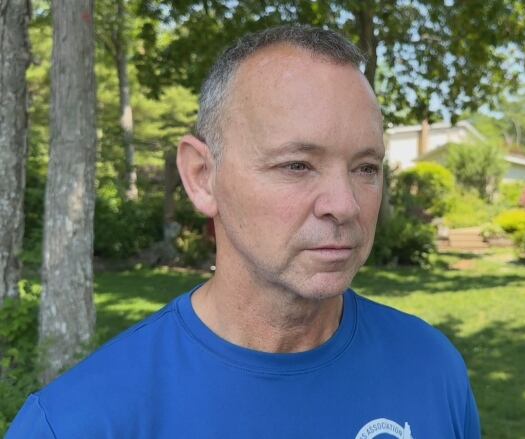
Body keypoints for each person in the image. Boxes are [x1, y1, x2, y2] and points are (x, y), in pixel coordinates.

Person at [7, 25, 480, 438]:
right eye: (297, 165)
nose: (345, 205)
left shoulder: (431, 369)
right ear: (201, 176)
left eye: (365, 167)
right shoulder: (78, 421)